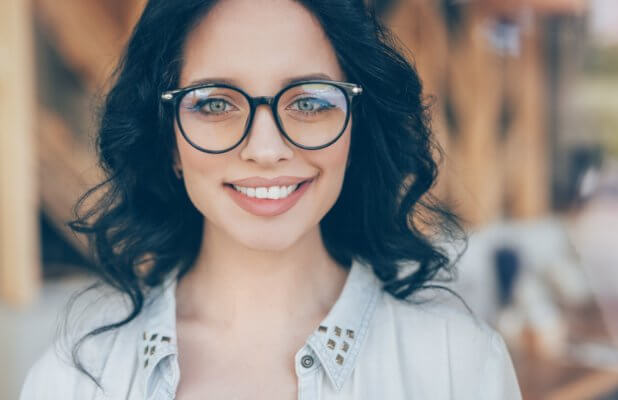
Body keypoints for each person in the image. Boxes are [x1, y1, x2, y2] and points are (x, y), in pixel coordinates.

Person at [20, 0, 522, 398]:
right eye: (214, 102)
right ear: (168, 140)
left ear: (356, 129)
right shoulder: (74, 382)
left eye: (310, 101)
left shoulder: (461, 365)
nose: (265, 149)